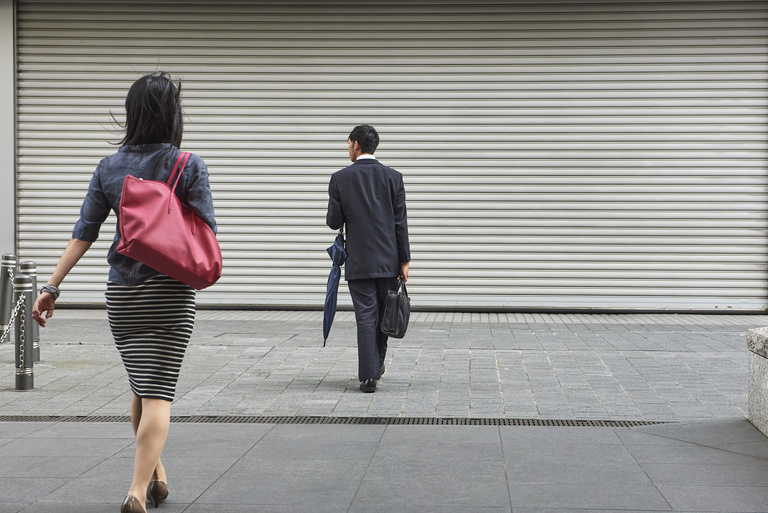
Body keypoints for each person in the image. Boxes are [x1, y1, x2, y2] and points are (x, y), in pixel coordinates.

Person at [32, 72, 216, 513]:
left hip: (123, 296)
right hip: (169, 291)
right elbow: (206, 228)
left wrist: (51, 287)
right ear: (173, 115)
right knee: (158, 392)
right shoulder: (189, 164)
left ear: (132, 114)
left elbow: (84, 233)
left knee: (140, 384)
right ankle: (136, 491)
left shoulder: (108, 167)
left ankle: (157, 475)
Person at [326, 124, 411, 393]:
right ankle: (378, 364)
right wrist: (405, 260)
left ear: (356, 145)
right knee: (384, 315)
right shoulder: (393, 178)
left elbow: (333, 222)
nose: (347, 148)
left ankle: (368, 376)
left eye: (348, 143)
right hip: (389, 260)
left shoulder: (340, 178)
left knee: (365, 315)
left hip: (359, 261)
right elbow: (400, 223)